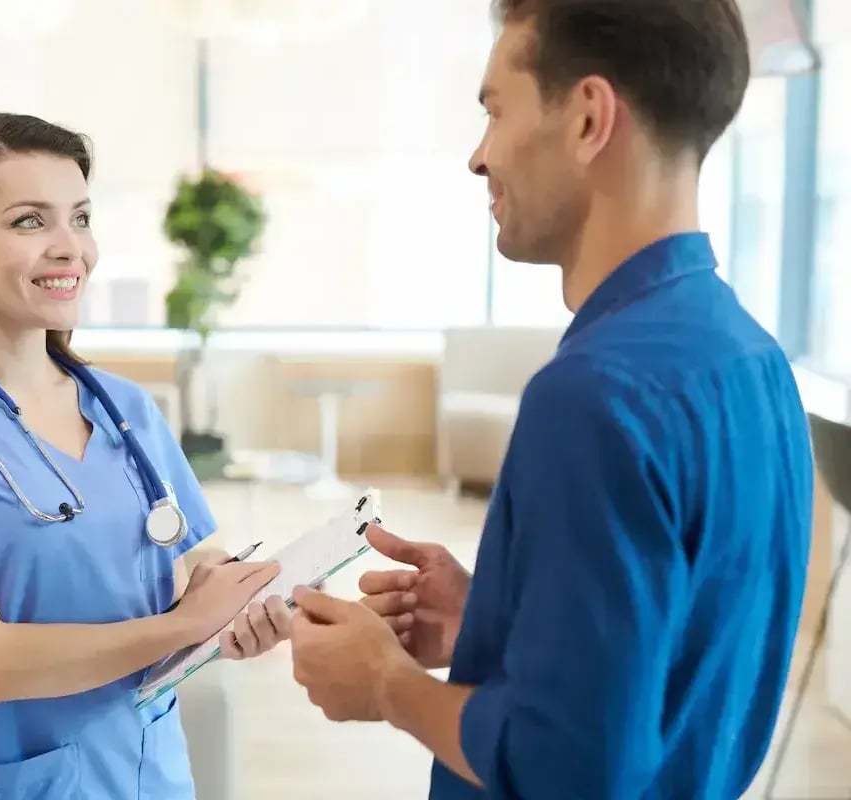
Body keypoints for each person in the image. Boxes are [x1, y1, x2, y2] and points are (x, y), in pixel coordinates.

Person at [289, 1, 813, 798]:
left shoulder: (595, 395)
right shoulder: (752, 358)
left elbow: (568, 769)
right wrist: (494, 622)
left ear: (589, 119)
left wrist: (385, 684)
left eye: (496, 111)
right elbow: (676, 674)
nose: (478, 156)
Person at [0, 110, 292, 799]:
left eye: (80, 218)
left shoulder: (126, 408)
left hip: (150, 776)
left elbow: (196, 563)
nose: (70, 248)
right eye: (30, 221)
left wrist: (239, 608)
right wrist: (183, 624)